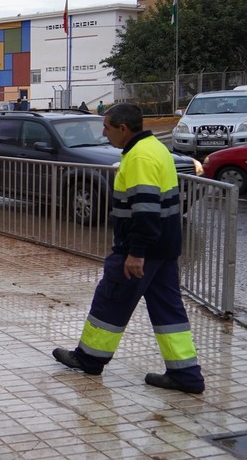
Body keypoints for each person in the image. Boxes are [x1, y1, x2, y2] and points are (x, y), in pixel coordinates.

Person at [53, 103, 204, 394]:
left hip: (141, 250)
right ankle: (186, 374)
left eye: (106, 127)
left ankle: (89, 358)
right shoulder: (156, 148)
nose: (104, 133)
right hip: (165, 247)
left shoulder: (139, 157)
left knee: (111, 299)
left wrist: (136, 253)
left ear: (123, 128)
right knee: (168, 309)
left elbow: (145, 209)